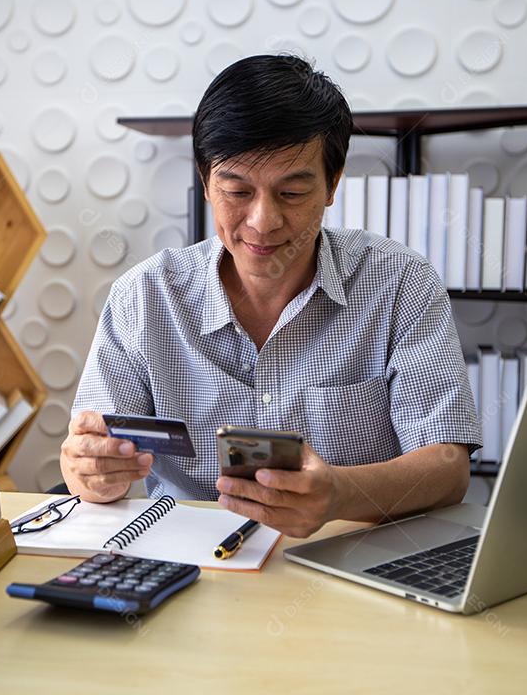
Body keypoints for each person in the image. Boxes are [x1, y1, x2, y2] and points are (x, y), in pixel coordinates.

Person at [62, 54, 481, 538]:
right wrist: (90, 473)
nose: (263, 222)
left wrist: (340, 494)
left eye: (292, 193)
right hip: (190, 569)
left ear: (333, 184)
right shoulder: (143, 298)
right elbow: (88, 461)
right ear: (205, 182)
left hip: (347, 563)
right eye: (237, 192)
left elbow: (449, 469)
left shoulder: (400, 284)